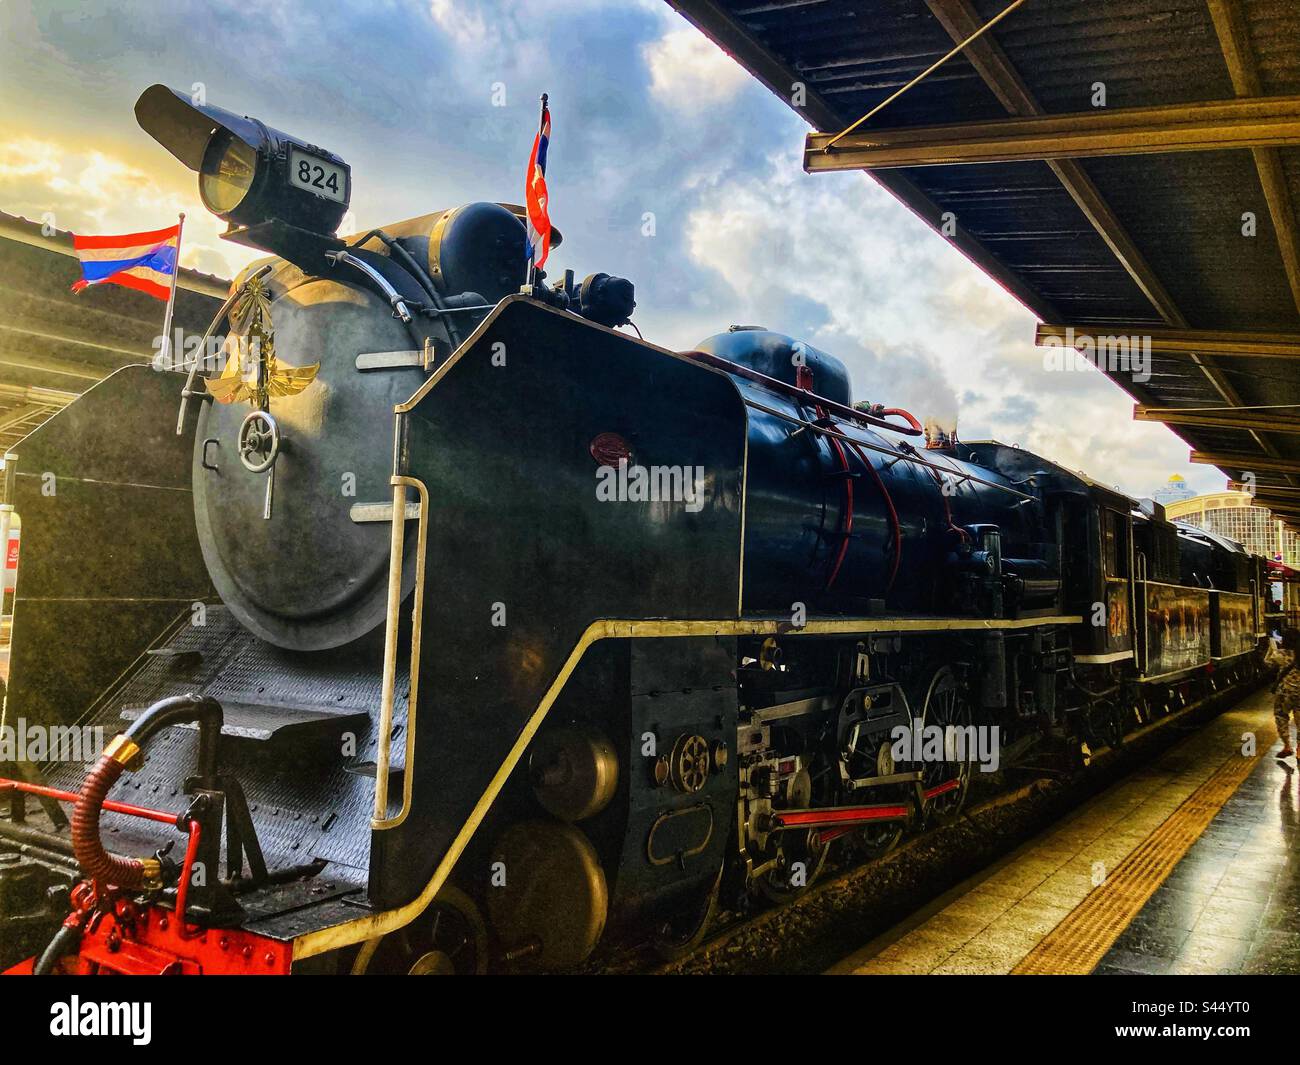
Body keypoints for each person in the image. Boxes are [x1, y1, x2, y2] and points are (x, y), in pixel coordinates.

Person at [1267, 628, 1300, 758]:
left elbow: (1268, 662)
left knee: (1281, 717)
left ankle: (1287, 745)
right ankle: (1299, 750)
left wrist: (1272, 647)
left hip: (1284, 693)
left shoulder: (1281, 654)